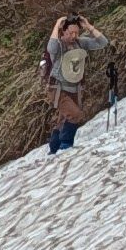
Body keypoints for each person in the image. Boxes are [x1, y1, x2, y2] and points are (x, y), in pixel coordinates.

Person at [39, 10, 116, 152]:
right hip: (58, 88)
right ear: (63, 32)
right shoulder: (59, 46)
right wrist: (57, 25)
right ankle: (66, 145)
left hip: (75, 88)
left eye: (76, 32)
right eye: (70, 33)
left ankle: (53, 149)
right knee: (75, 115)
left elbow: (102, 42)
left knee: (63, 120)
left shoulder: (81, 43)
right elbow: (51, 47)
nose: (74, 36)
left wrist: (88, 26)